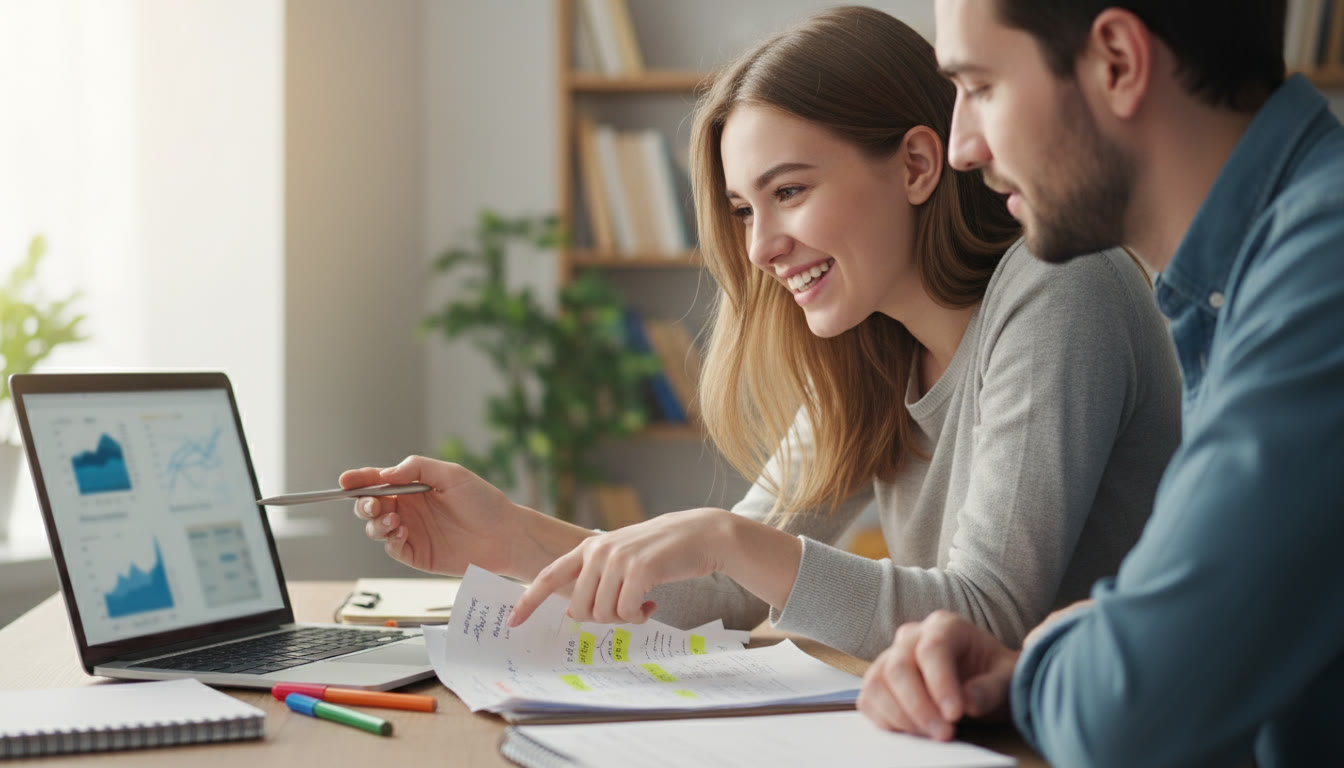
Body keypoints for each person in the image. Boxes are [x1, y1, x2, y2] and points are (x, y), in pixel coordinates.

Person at [344, 6, 1180, 663]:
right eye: (746, 209)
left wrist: (734, 538)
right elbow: (725, 589)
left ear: (919, 166)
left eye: (789, 192)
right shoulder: (871, 342)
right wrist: (509, 536)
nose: (758, 248)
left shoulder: (1060, 286)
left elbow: (989, 620)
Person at [856, 1, 1344, 766]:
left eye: (980, 87)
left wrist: (1056, 655)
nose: (961, 148)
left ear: (1116, 61)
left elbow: (1130, 715)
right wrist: (1051, 662)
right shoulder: (1250, 277)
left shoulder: (1321, 278)